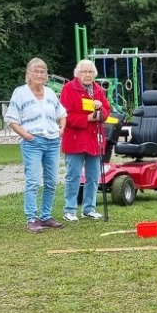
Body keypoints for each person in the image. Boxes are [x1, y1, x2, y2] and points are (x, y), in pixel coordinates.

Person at [4, 58, 68, 233]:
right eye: (36, 71)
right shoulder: (20, 93)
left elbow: (62, 112)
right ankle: (32, 218)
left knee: (52, 181)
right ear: (28, 74)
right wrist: (26, 135)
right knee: (33, 181)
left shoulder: (50, 93)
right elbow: (11, 118)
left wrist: (62, 127)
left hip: (52, 141)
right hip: (33, 142)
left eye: (43, 72)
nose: (40, 75)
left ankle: (46, 216)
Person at [60, 59, 110, 221]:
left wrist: (100, 110)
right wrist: (88, 118)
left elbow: (106, 111)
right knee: (73, 176)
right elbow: (65, 115)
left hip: (94, 139)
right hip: (75, 140)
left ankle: (89, 208)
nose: (87, 75)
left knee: (93, 176)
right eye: (84, 72)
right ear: (78, 73)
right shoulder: (68, 89)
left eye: (90, 72)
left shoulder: (98, 90)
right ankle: (70, 210)